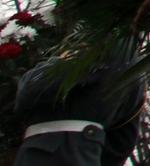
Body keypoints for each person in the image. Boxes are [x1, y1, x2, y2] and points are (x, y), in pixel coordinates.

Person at [10, 51, 143, 166]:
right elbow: (122, 143)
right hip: (85, 155)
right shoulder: (136, 68)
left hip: (51, 153)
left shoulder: (101, 47)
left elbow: (29, 89)